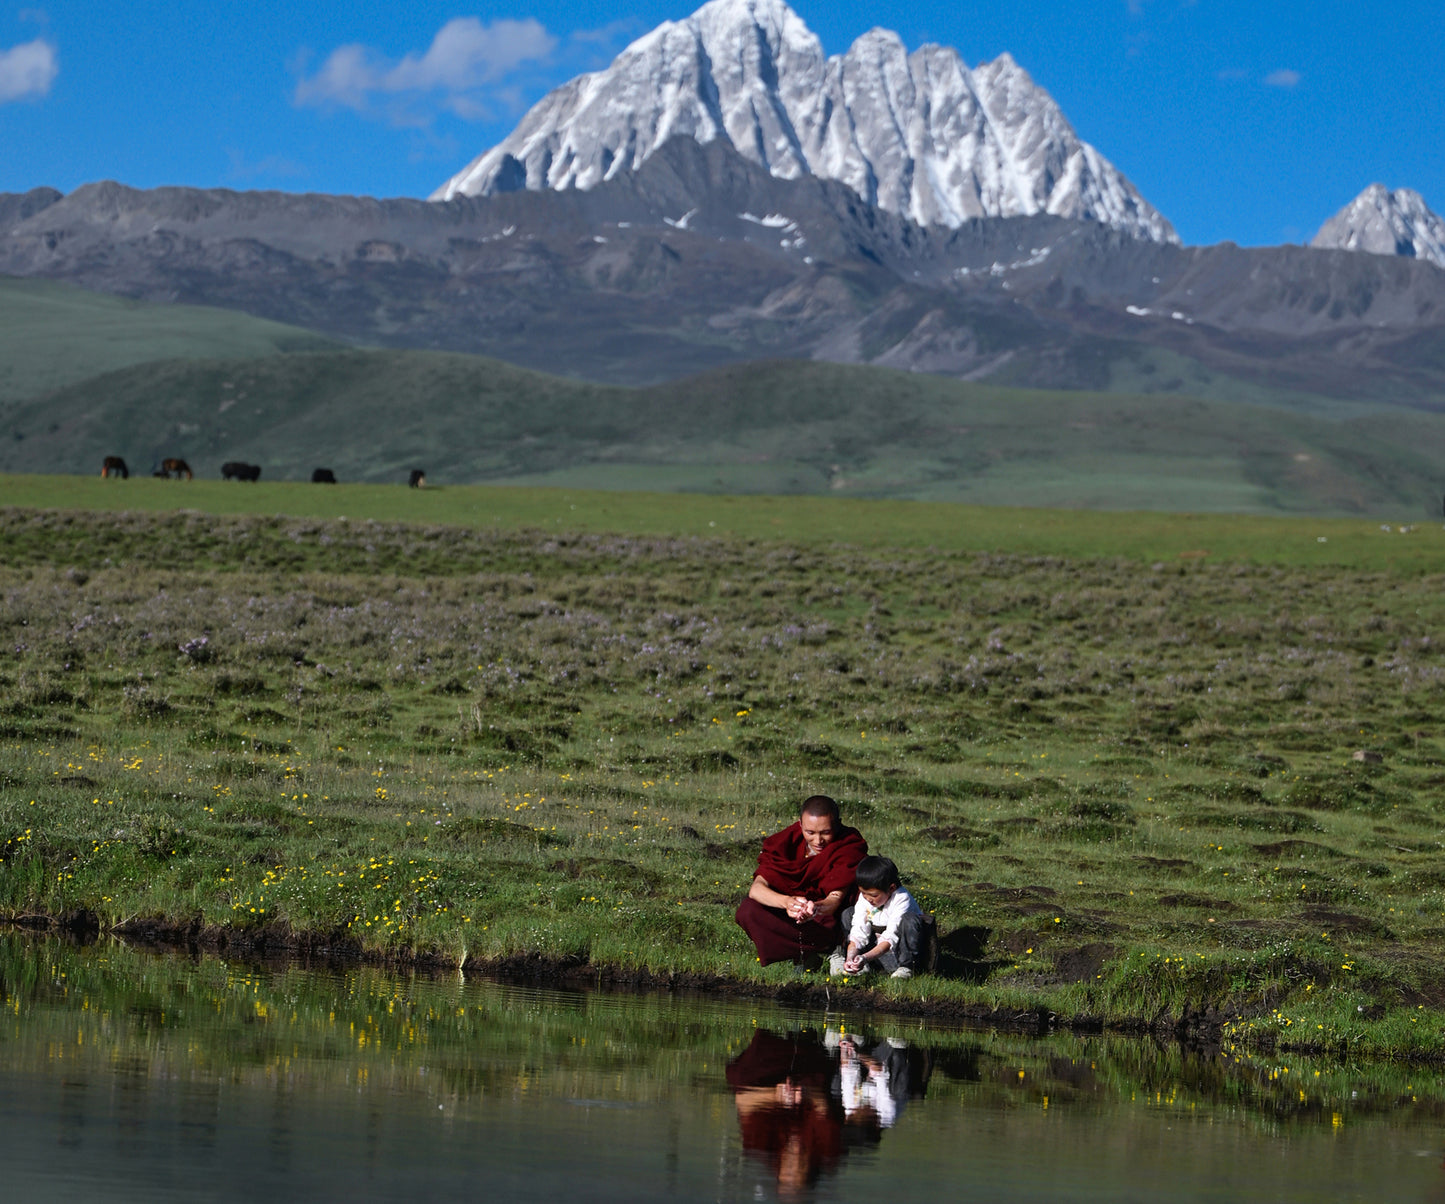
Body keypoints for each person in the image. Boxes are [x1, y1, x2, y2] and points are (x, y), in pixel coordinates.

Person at [735, 795, 867, 966]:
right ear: (800, 824)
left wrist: (814, 909)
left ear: (838, 823)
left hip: (828, 921)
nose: (818, 841)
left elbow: (834, 899)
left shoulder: (848, 845)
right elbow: (757, 889)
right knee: (747, 911)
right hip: (793, 914)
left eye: (826, 833)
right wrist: (788, 903)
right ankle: (805, 954)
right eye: (810, 833)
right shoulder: (786, 841)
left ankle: (829, 948)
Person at [832, 855, 925, 979]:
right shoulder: (865, 898)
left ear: (891, 888)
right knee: (849, 913)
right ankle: (862, 965)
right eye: (863, 893)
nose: (867, 898)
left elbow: (890, 937)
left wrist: (865, 958)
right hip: (876, 953)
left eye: (874, 895)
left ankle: (907, 968)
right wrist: (851, 957)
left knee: (910, 920)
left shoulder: (902, 899)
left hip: (897, 953)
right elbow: (858, 929)